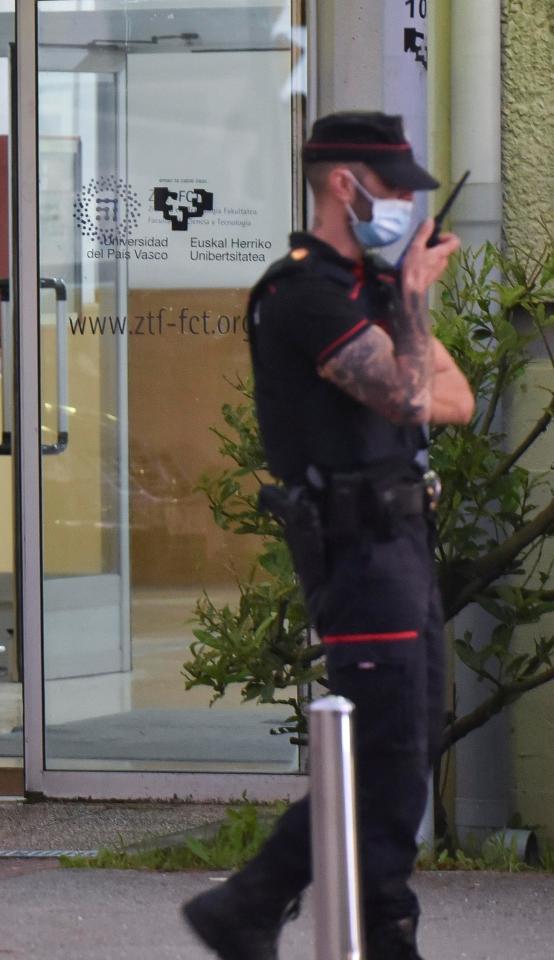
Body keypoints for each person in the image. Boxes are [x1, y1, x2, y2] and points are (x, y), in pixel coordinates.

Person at [181, 113, 470, 960]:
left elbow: (453, 397)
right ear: (346, 184)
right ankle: (256, 903)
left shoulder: (366, 290)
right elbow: (411, 398)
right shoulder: (302, 295)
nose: (405, 206)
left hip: (403, 541)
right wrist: (410, 304)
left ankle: (347, 922)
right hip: (356, 546)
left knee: (407, 747)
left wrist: (401, 320)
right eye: (393, 189)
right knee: (380, 750)